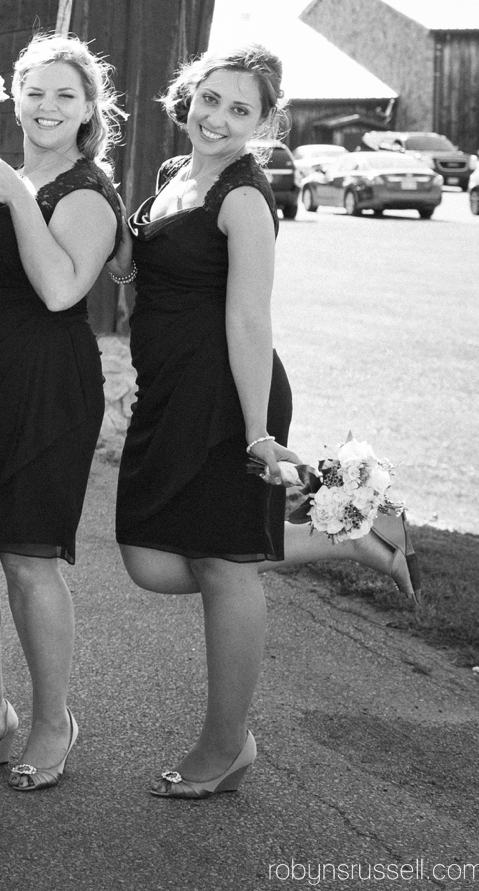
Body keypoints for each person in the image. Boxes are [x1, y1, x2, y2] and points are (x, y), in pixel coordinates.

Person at [113, 44, 407, 800]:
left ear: (264, 123)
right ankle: (353, 535)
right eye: (210, 98)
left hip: (224, 397)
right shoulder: (174, 176)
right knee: (150, 559)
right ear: (189, 96)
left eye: (239, 109)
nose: (217, 117)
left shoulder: (243, 197)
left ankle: (224, 746)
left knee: (222, 566)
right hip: (169, 392)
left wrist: (256, 435)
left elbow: (249, 318)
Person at [0, 35, 123, 792]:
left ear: (88, 111)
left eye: (65, 95)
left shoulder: (86, 191)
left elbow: (59, 290)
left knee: (28, 558)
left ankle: (54, 721)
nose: (47, 106)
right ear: (14, 98)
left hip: (45, 386)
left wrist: (15, 194)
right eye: (35, 92)